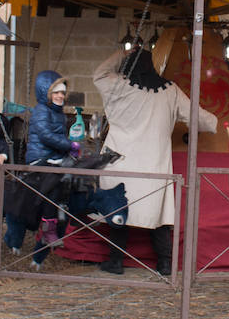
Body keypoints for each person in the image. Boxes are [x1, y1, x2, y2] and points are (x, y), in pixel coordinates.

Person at [91, 47, 217, 276]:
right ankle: (165, 263)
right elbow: (197, 116)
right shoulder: (170, 91)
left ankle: (116, 261)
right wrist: (216, 123)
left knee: (119, 211)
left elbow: (98, 73)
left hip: (121, 161)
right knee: (159, 215)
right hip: (154, 163)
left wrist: (121, 52)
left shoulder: (117, 84)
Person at [6, 71, 73, 267]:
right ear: (46, 92)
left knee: (69, 180)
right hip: (40, 160)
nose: (60, 96)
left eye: (63, 93)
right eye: (56, 92)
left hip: (53, 159)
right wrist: (68, 145)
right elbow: (45, 135)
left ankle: (61, 215)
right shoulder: (42, 111)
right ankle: (49, 226)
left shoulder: (57, 113)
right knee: (52, 183)